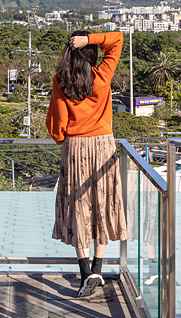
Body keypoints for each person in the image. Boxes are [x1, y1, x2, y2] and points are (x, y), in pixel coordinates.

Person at [46, 30, 127, 298]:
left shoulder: (62, 81)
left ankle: (85, 273)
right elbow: (117, 39)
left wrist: (62, 137)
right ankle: (98, 268)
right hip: (104, 146)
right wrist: (91, 39)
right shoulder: (102, 76)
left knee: (77, 205)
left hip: (76, 147)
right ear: (91, 53)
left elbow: (57, 127)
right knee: (102, 204)